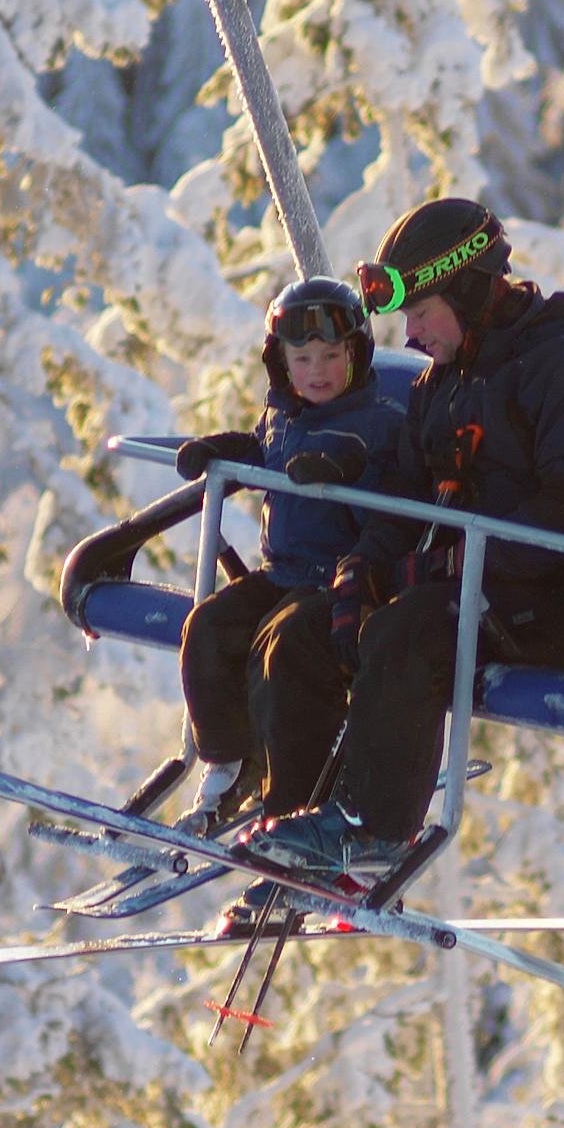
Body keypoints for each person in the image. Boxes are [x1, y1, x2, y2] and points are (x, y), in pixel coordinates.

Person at [249, 196, 564, 879]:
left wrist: (452, 565)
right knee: (313, 626)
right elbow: (405, 491)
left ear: (468, 288)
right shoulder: (448, 382)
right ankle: (293, 822)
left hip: (563, 600)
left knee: (413, 631)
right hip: (478, 586)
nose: (412, 335)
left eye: (422, 313)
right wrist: (363, 568)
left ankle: (371, 831)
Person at [160, 276, 406, 835]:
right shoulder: (284, 416)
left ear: (356, 355)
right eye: (303, 358)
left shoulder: (375, 421)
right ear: (281, 364)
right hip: (284, 572)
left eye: (331, 356)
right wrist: (220, 451)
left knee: (283, 652)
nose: (317, 371)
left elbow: (375, 464)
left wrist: (338, 462)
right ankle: (231, 759)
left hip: (340, 582)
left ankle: (290, 803)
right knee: (209, 626)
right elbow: (261, 450)